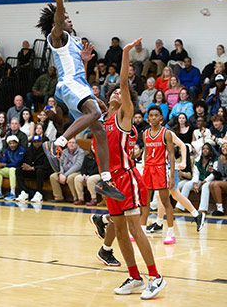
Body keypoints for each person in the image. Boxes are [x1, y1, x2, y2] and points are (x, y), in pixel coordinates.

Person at [93, 40, 166, 300]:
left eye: (118, 93)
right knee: (121, 232)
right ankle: (134, 277)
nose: (115, 93)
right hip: (110, 183)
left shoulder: (124, 117)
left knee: (136, 230)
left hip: (128, 179)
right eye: (111, 92)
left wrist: (124, 53)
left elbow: (123, 83)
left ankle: (156, 277)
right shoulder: (100, 123)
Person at [36, 0, 124, 201]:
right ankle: (58, 143)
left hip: (79, 85)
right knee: (93, 113)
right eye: (65, 18)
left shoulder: (75, 42)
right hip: (69, 85)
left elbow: (81, 75)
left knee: (100, 131)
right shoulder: (57, 38)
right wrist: (59, 1)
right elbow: (57, 22)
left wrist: (84, 60)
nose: (68, 19)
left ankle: (105, 179)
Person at [146, 131, 205, 233]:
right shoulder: (148, 133)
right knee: (160, 196)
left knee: (174, 195)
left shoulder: (167, 133)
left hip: (169, 167)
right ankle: (159, 223)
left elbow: (182, 145)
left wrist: (184, 162)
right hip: (159, 167)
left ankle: (197, 214)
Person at [141, 105, 176, 244]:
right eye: (151, 115)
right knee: (145, 202)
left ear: (161, 117)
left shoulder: (166, 133)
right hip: (148, 169)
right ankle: (142, 230)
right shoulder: (145, 134)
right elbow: (146, 152)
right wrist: (144, 167)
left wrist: (172, 176)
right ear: (148, 117)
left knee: (165, 201)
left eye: (156, 115)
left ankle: (171, 233)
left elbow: (172, 155)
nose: (154, 118)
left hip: (160, 169)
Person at [175, 143, 217, 213]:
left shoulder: (214, 160)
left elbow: (213, 175)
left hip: (209, 181)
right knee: (187, 185)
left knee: (205, 186)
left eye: (207, 149)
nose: (205, 150)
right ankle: (180, 207)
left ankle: (203, 209)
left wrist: (202, 183)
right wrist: (195, 183)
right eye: (203, 149)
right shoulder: (198, 160)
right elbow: (196, 174)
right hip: (199, 180)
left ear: (210, 150)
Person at [15, 135, 53, 202]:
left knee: (39, 171)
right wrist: (26, 166)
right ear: (32, 143)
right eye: (35, 142)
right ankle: (24, 192)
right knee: (18, 170)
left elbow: (46, 166)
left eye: (38, 141)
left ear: (41, 142)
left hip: (42, 171)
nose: (36, 143)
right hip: (31, 170)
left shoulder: (45, 150)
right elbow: (26, 161)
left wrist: (33, 168)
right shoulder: (30, 150)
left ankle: (39, 193)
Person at [49, 137, 85, 202]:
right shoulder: (65, 151)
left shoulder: (81, 152)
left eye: (73, 143)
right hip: (65, 171)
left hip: (76, 171)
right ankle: (58, 197)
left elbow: (78, 165)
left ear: (76, 144)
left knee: (70, 178)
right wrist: (61, 173)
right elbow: (61, 164)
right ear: (67, 144)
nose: (71, 144)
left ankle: (76, 198)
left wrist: (65, 175)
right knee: (53, 176)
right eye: (69, 143)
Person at [0, 135, 26, 201]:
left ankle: (12, 193)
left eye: (13, 143)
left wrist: (3, 164)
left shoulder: (21, 150)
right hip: (9, 168)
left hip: (19, 170)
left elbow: (16, 164)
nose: (12, 145)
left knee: (12, 169)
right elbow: (4, 160)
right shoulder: (7, 150)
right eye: (10, 143)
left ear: (17, 143)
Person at [74, 141, 100, 206]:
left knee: (91, 179)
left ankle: (94, 199)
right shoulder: (87, 156)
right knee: (77, 178)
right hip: (87, 175)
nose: (93, 147)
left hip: (98, 174)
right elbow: (83, 168)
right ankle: (81, 199)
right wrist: (84, 175)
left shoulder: (101, 157)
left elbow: (98, 169)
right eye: (92, 145)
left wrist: (89, 176)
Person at [209, 142, 227, 216]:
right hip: (224, 180)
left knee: (216, 184)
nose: (224, 148)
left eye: (226, 146)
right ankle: (219, 208)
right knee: (211, 184)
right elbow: (220, 175)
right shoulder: (220, 158)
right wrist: (214, 171)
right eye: (223, 147)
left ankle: (220, 209)